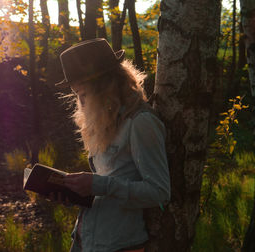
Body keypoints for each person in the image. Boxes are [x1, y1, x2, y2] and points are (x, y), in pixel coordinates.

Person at [54, 38, 171, 252]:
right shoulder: (105, 124)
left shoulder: (140, 123)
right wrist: (78, 194)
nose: (80, 104)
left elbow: (159, 192)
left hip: (119, 245)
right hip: (85, 240)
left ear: (105, 86)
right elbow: (108, 184)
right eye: (76, 95)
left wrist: (99, 185)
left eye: (83, 94)